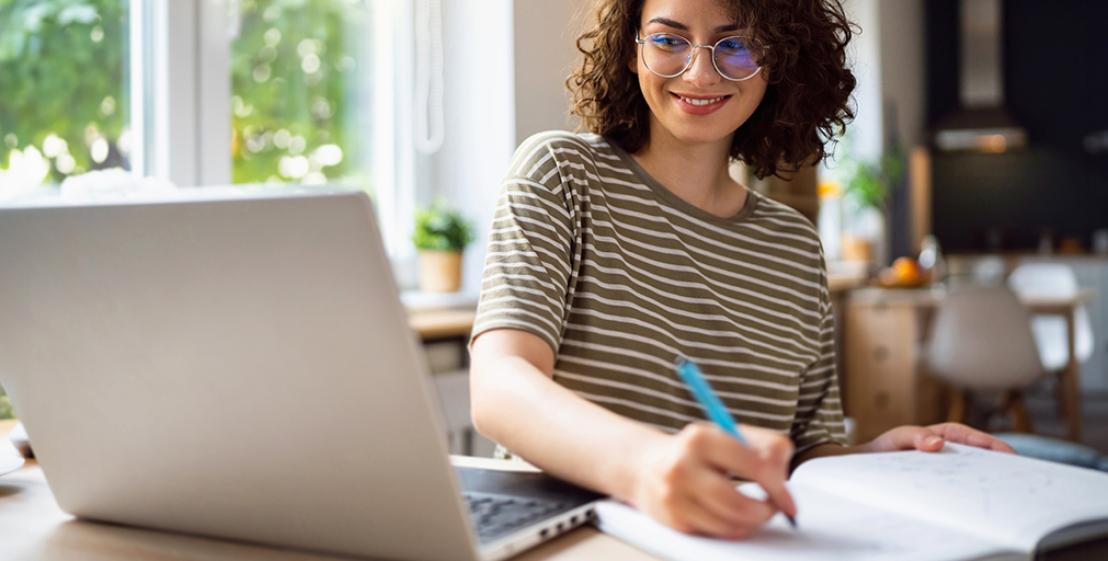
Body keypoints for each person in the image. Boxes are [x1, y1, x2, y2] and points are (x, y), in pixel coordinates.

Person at [467, 0, 1013, 540]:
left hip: (735, 542)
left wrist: (876, 459)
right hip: (571, 540)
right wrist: (644, 467)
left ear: (778, 59)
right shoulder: (562, 174)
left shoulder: (796, 246)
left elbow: (807, 452)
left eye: (738, 44)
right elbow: (500, 387)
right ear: (632, 51)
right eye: (668, 39)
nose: (700, 72)